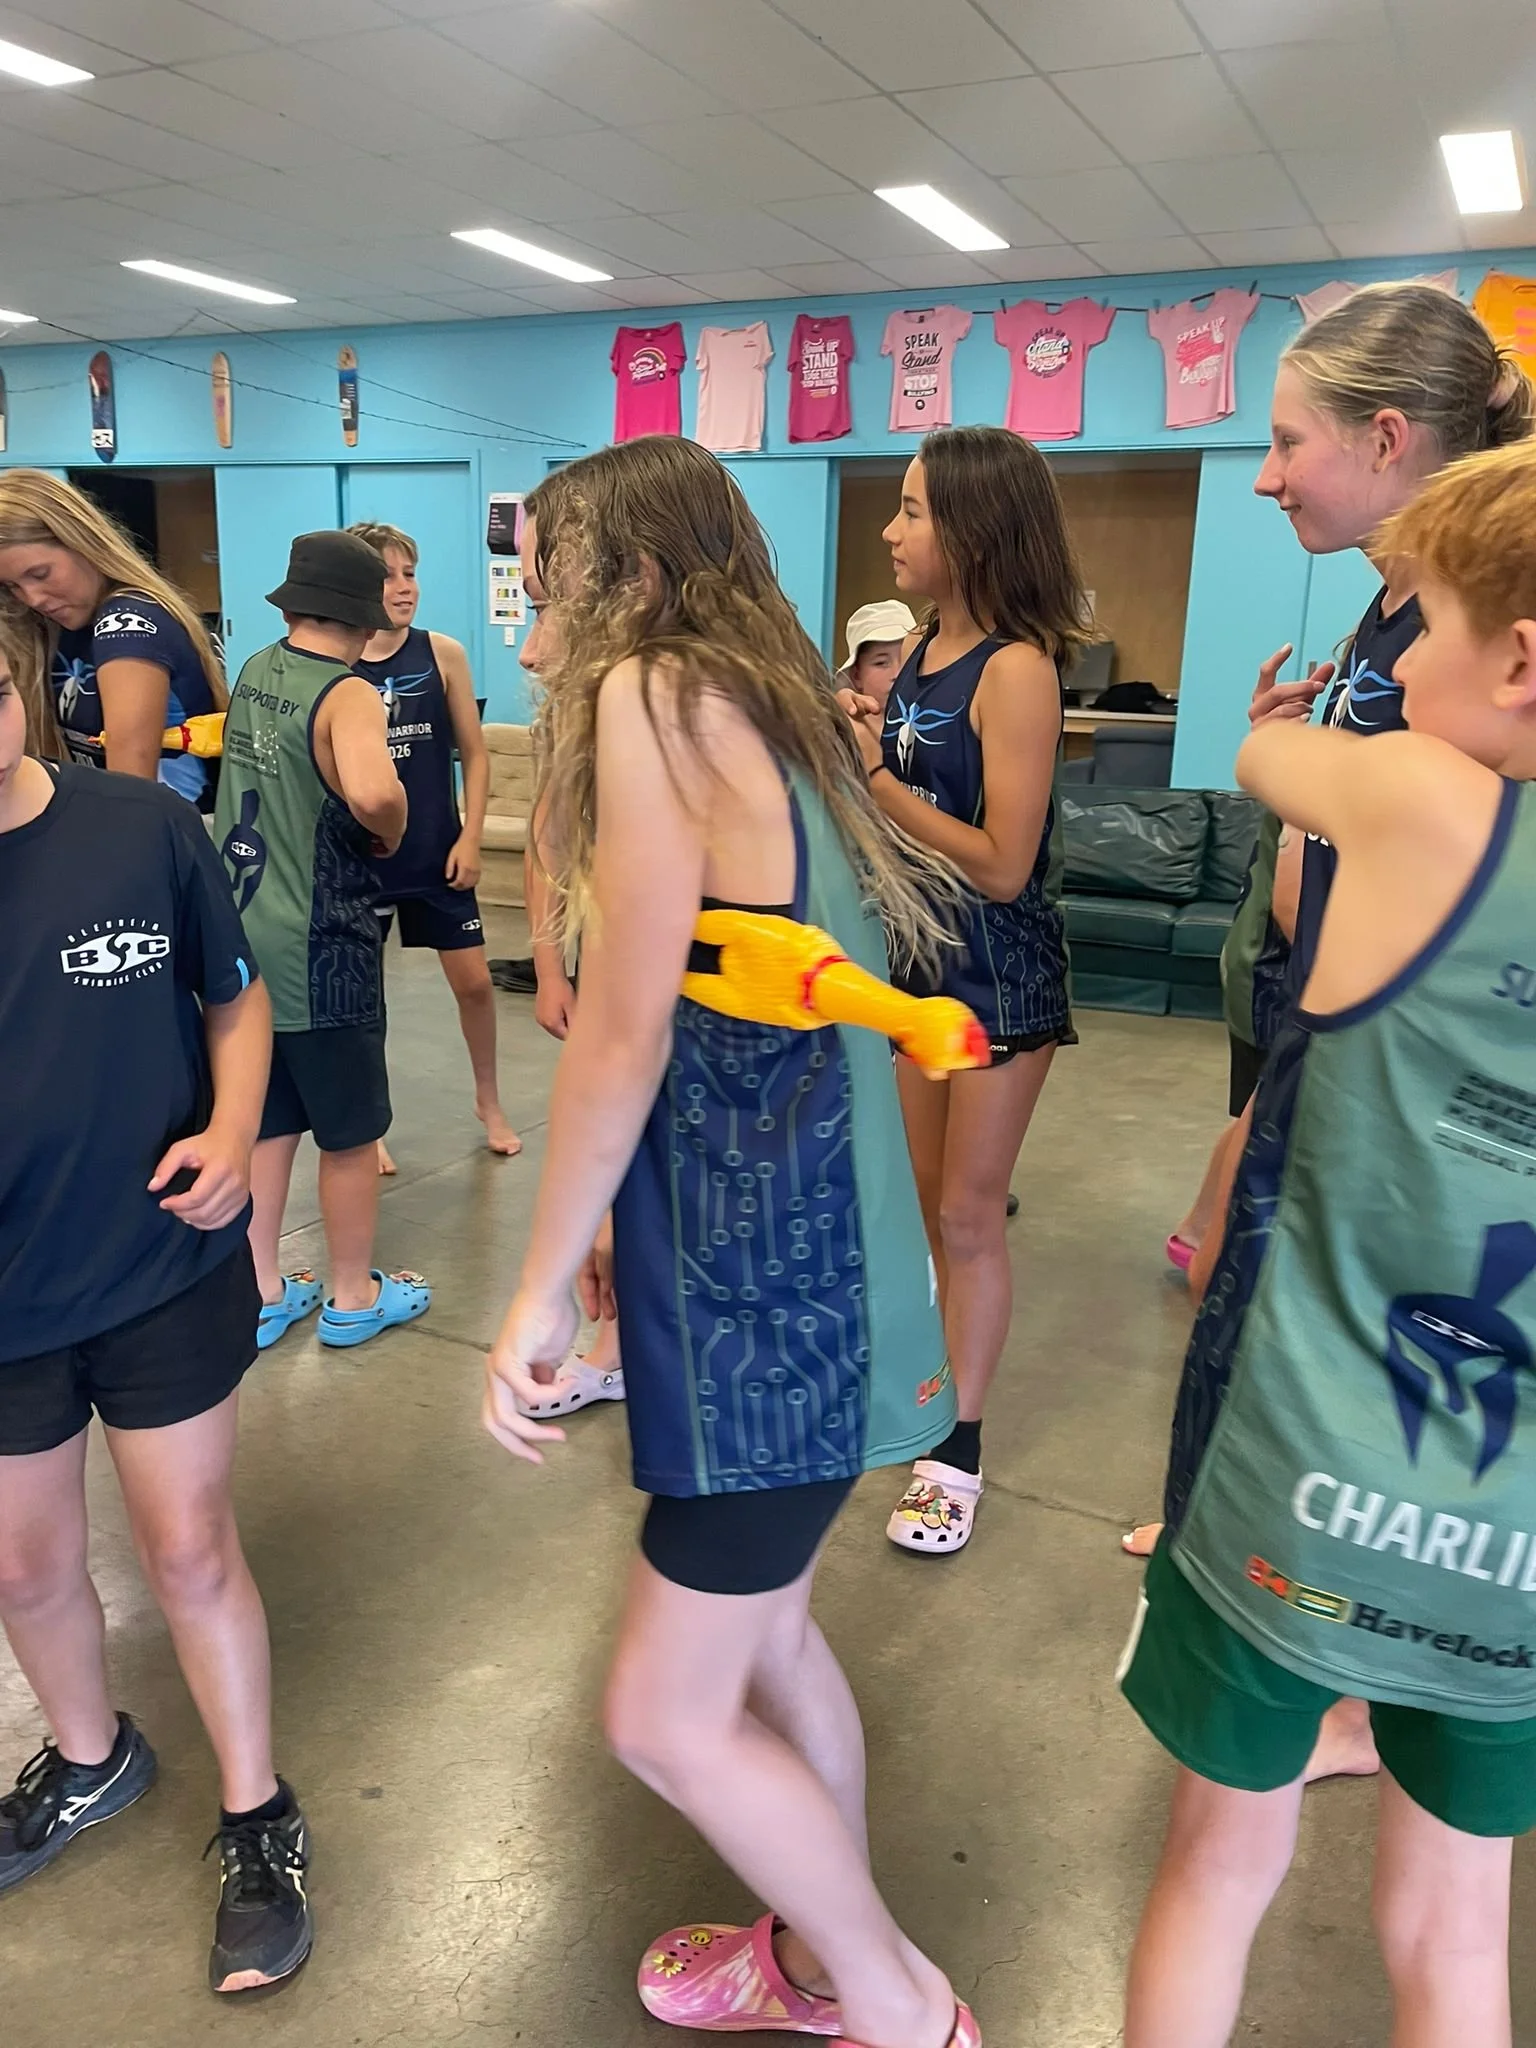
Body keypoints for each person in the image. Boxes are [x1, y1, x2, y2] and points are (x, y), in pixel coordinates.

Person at [481, 435, 979, 2048]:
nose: (534, 638)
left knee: (661, 1712)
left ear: (633, 579)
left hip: (769, 1297)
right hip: (786, 1271)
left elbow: (625, 1035)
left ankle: (897, 2002)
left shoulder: (660, 695)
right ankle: (828, 1968)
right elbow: (716, 1014)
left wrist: (534, 1287)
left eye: (552, 591)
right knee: (765, 1642)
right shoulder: (759, 702)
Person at [1121, 439, 1536, 2048]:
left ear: (1519, 661)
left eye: (1422, 630)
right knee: (1455, 1935)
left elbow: (1268, 764)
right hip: (1516, 1542)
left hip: (1299, 1483)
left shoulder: (1422, 802)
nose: (1400, 667)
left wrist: (1283, 727)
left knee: (1217, 1872)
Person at [0, 640, 311, 1993]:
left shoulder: (138, 827)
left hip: (157, 1259)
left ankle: (258, 1813)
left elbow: (235, 1003)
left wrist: (236, 1134)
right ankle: (91, 1758)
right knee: (22, 1567)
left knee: (187, 1547)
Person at [843, 425, 1084, 1555]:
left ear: (975, 529)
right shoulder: (923, 650)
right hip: (917, 966)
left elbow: (1000, 864)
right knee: (922, 1204)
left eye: (913, 510)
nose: (892, 532)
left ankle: (958, 1451)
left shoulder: (1018, 670)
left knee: (968, 1215)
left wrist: (871, 777)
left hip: (997, 974)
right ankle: (927, 1386)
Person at [214, 531, 431, 1351]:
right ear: (366, 617)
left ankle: (263, 1290)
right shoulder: (348, 694)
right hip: (321, 945)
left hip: (242, 937)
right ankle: (351, 1295)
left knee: (269, 1121)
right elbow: (374, 794)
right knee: (349, 1133)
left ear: (292, 607)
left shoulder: (255, 670)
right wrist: (394, 826)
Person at [342, 520, 521, 1170]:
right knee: (364, 1002)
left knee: (475, 984)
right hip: (362, 863)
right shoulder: (338, 666)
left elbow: (474, 754)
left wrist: (470, 836)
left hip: (436, 855)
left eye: (410, 574)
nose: (403, 588)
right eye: (387, 576)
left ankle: (488, 1101)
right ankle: (369, 1121)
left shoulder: (441, 654)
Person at [509, 484, 624, 1421]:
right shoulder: (573, 719)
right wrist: (550, 965)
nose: (529, 649)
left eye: (549, 610)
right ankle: (617, 1347)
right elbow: (546, 840)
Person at [0, 468, 226, 804]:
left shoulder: (126, 624)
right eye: (12, 586)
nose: (32, 599)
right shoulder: (57, 628)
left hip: (167, 824)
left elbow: (129, 796)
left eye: (41, 574)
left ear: (81, 541)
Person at [837, 598, 917, 712]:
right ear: (856, 676)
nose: (897, 674)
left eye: (908, 660)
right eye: (881, 663)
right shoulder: (841, 720)